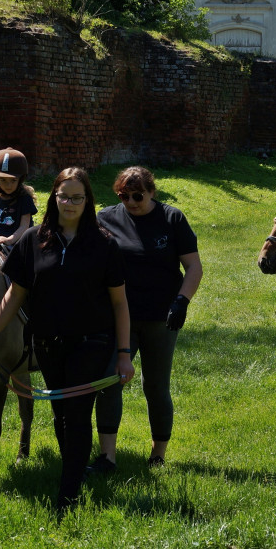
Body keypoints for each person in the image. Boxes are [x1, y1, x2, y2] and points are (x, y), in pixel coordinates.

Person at [0, 167, 135, 513]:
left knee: (76, 414)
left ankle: (67, 497)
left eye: (77, 197)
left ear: (87, 201)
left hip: (91, 342)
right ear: (53, 198)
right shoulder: (33, 241)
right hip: (47, 344)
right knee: (60, 414)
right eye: (63, 196)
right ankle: (72, 471)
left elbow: (120, 303)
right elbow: (13, 297)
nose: (69, 203)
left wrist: (123, 354)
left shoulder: (104, 244)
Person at [89, 167, 203, 471]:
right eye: (123, 196)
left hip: (160, 317)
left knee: (155, 386)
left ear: (152, 192)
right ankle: (107, 457)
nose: (130, 201)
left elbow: (193, 267)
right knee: (109, 382)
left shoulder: (171, 219)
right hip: (116, 317)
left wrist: (182, 301)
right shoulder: (105, 219)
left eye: (137, 195)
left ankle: (158, 454)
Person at [0, 147, 37, 254]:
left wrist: (10, 240)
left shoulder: (25, 199)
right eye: (3, 180)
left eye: (13, 180)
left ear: (20, 179)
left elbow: (24, 226)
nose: (8, 185)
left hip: (20, 242)